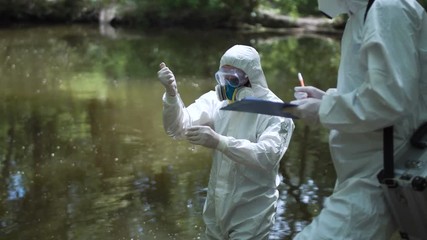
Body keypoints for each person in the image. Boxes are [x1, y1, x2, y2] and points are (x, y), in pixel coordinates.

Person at [287, 0, 427, 239]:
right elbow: (376, 89)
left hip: (384, 171)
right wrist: (326, 98)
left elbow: (389, 100)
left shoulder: (387, 7)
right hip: (366, 169)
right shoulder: (363, 13)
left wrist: (323, 109)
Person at [157, 45, 294, 239]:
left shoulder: (276, 112)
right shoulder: (216, 101)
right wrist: (171, 95)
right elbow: (177, 129)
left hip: (252, 213)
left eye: (233, 79)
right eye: (222, 77)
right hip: (216, 207)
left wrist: (220, 142)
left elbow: (267, 156)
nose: (227, 84)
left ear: (250, 77)